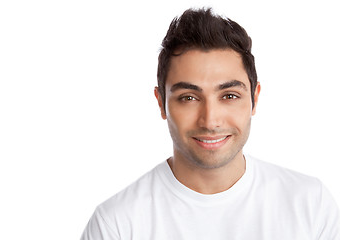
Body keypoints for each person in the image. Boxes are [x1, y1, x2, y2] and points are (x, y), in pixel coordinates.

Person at [81, 8, 340, 239]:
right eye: (189, 98)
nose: (210, 120)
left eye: (229, 96)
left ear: (254, 99)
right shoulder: (116, 225)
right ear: (161, 103)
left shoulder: (310, 205)